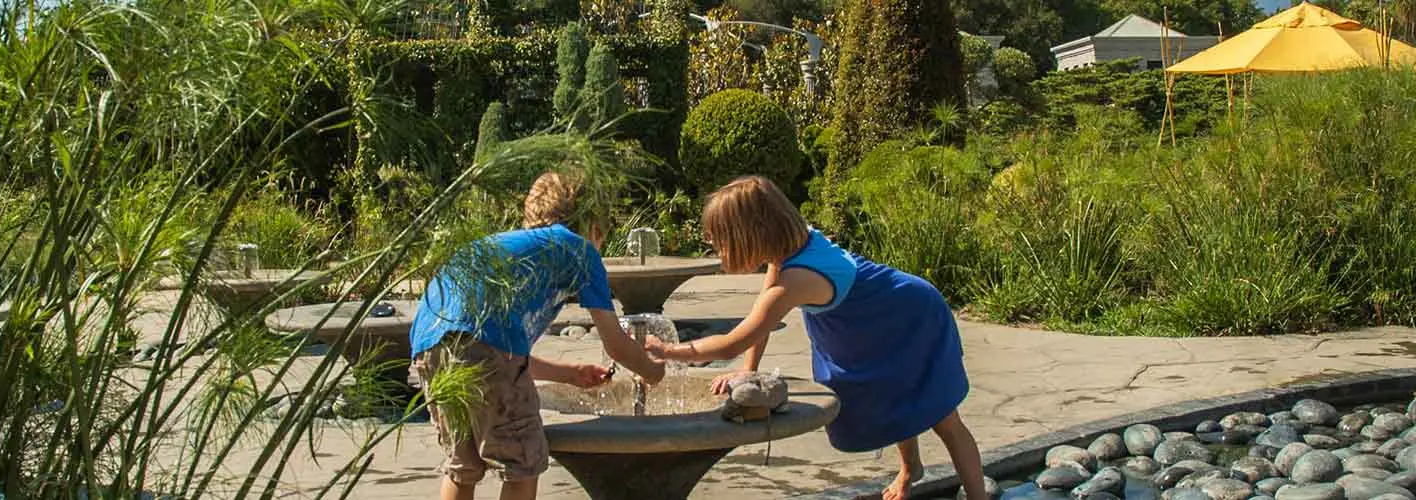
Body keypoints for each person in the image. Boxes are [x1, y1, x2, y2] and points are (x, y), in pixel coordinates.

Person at [646, 176, 989, 500]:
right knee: (891, 389)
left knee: (945, 420)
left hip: (913, 314)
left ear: (751, 234)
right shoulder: (788, 249)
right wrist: (747, 370)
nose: (715, 247)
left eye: (719, 240)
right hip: (874, 322)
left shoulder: (797, 278)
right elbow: (759, 322)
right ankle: (910, 468)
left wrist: (668, 351)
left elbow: (735, 340)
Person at [408, 172, 665, 500]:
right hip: (478, 339)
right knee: (521, 462)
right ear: (593, 225)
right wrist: (652, 370)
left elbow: (491, 353)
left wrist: (569, 374)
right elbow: (615, 344)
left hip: (428, 340)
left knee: (463, 464)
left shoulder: (511, 247)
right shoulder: (579, 250)